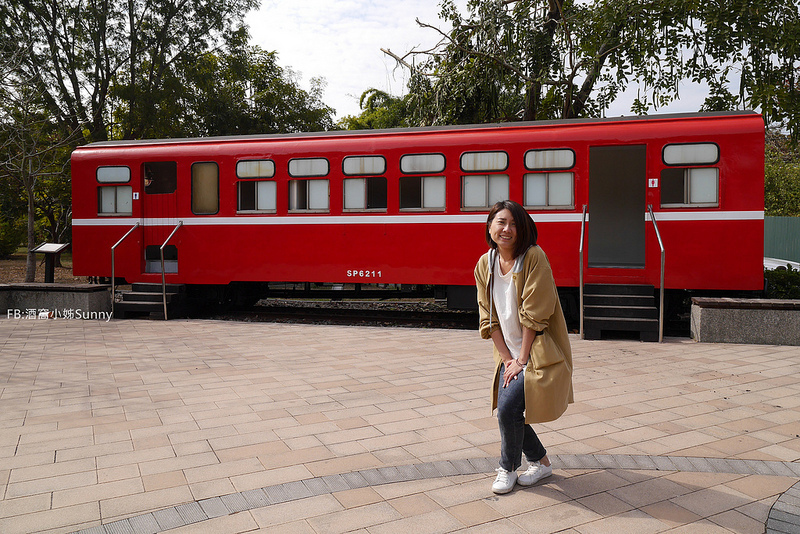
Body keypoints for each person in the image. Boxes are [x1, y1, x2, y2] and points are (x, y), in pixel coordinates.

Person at [474, 200, 574, 494]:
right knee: (510, 411)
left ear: (523, 229)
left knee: (507, 409)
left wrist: (521, 359)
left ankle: (507, 468)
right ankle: (541, 463)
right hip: (509, 354)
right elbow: (487, 317)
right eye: (501, 222)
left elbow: (535, 314)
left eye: (514, 224)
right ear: (490, 227)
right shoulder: (485, 264)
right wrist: (507, 359)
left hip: (535, 351)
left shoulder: (533, 257)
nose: (507, 229)